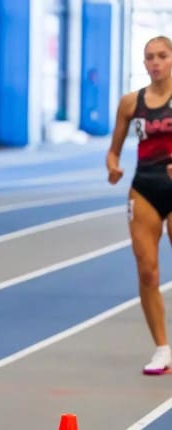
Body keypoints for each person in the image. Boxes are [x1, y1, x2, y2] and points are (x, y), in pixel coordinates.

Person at [107, 35, 172, 376]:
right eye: (149, 57)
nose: (155, 62)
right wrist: (113, 166)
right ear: (144, 63)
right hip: (144, 187)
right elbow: (114, 149)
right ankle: (162, 348)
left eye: (162, 55)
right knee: (147, 271)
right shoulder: (131, 103)